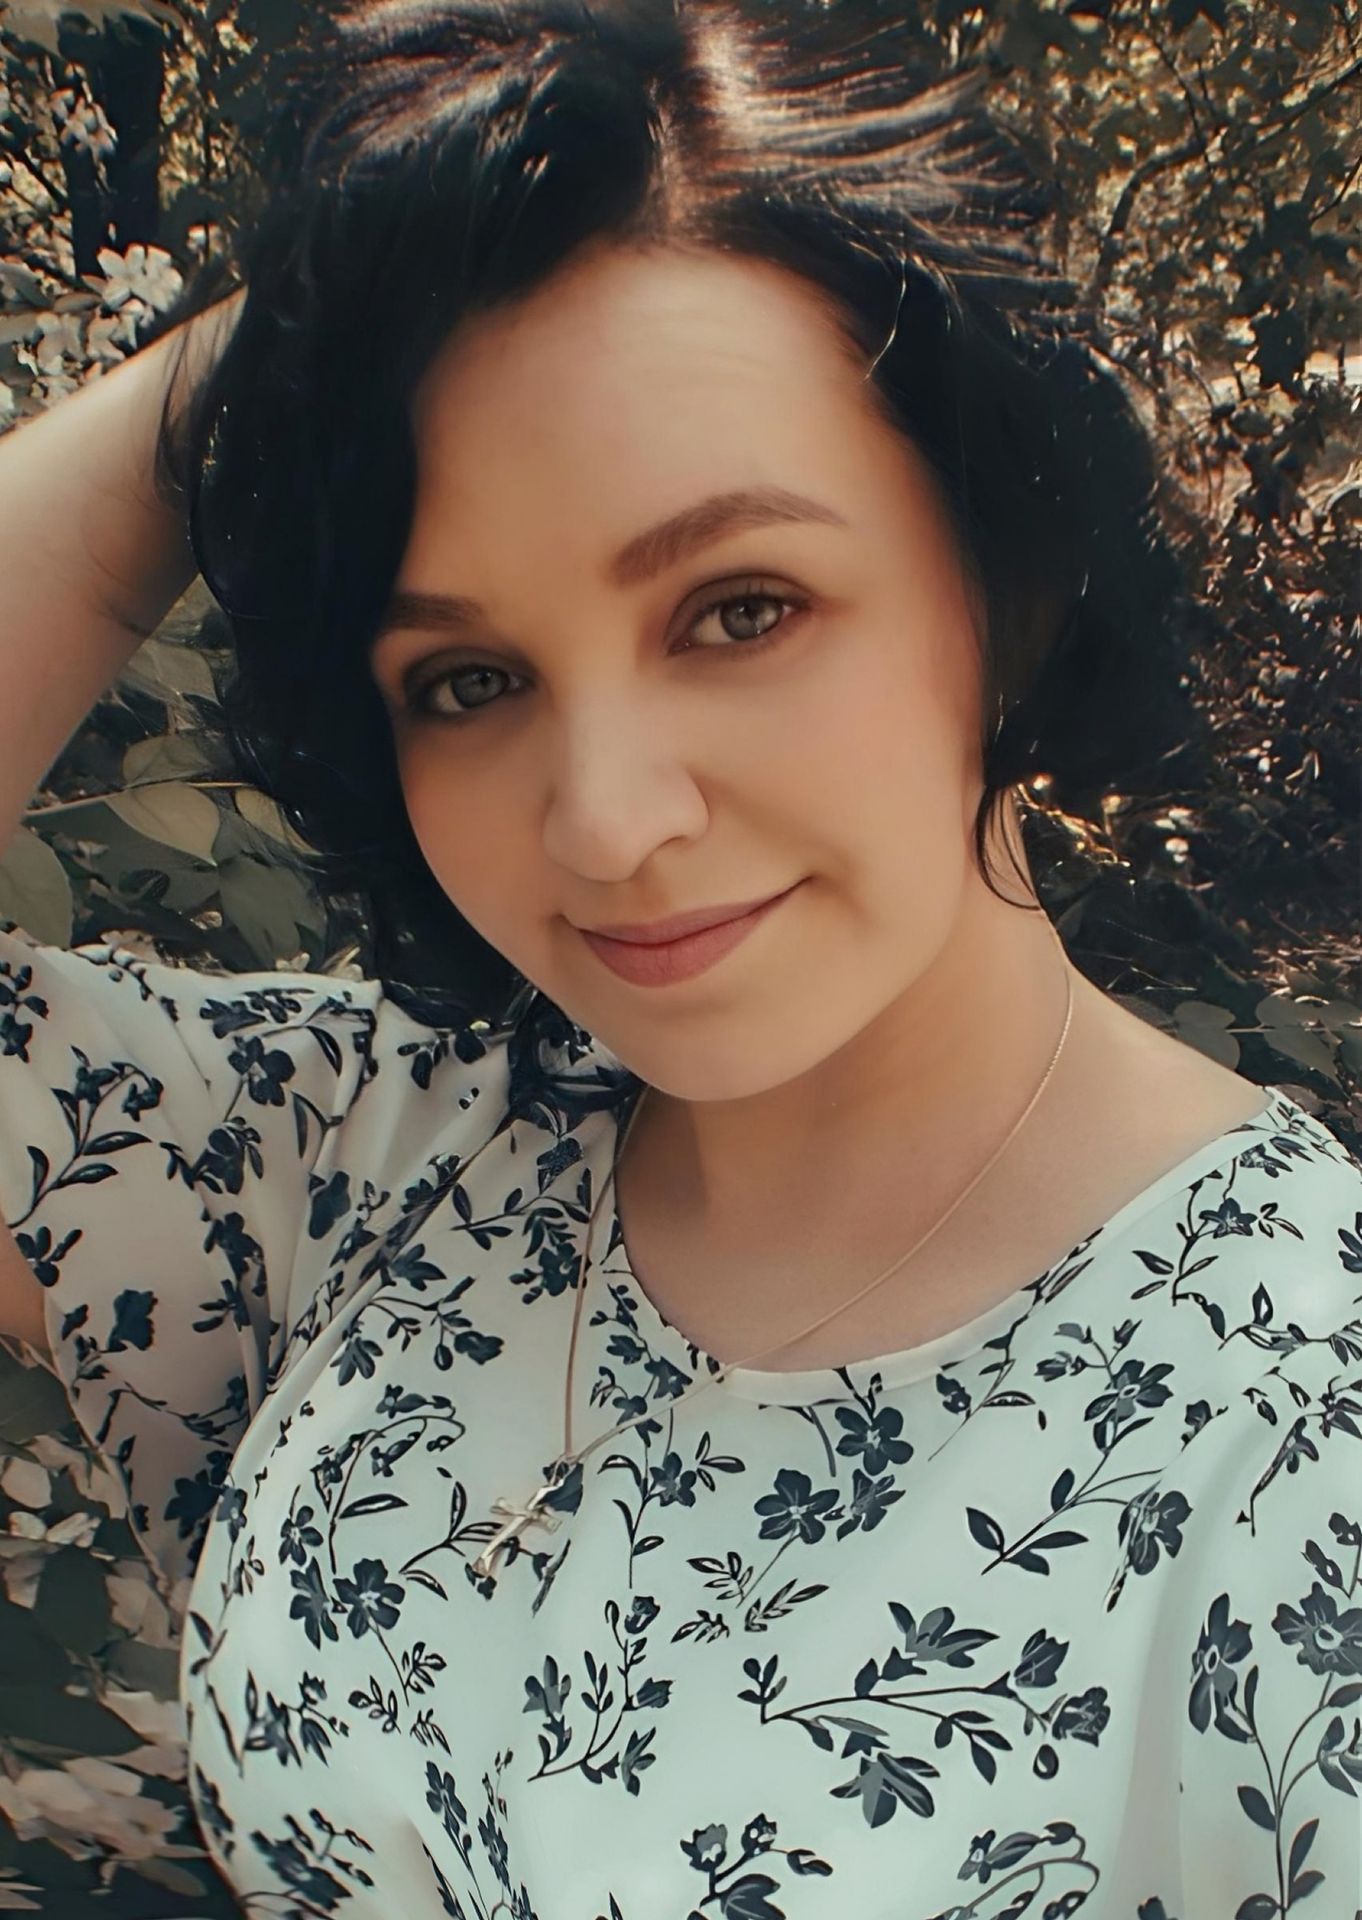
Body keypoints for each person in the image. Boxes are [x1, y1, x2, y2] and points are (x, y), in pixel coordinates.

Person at [2, 1, 1360, 1913]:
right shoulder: (372, 1155)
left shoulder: (1299, 1425)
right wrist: (293, 332)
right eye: (468, 678)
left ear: (1003, 576)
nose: (606, 821)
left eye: (739, 609)